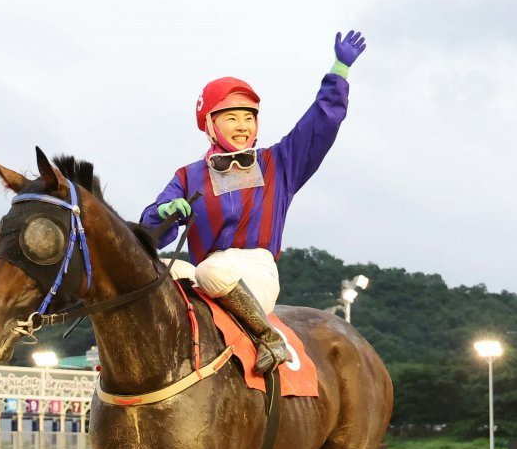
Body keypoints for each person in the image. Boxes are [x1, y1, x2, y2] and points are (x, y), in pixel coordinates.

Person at [140, 30, 367, 373]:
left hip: (253, 271)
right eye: (231, 117)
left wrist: (339, 72)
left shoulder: (278, 164)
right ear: (209, 126)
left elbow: (320, 125)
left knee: (210, 269)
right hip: (204, 275)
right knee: (165, 272)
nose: (242, 126)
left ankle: (268, 336)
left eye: (249, 117)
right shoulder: (188, 176)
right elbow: (149, 233)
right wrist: (164, 214)